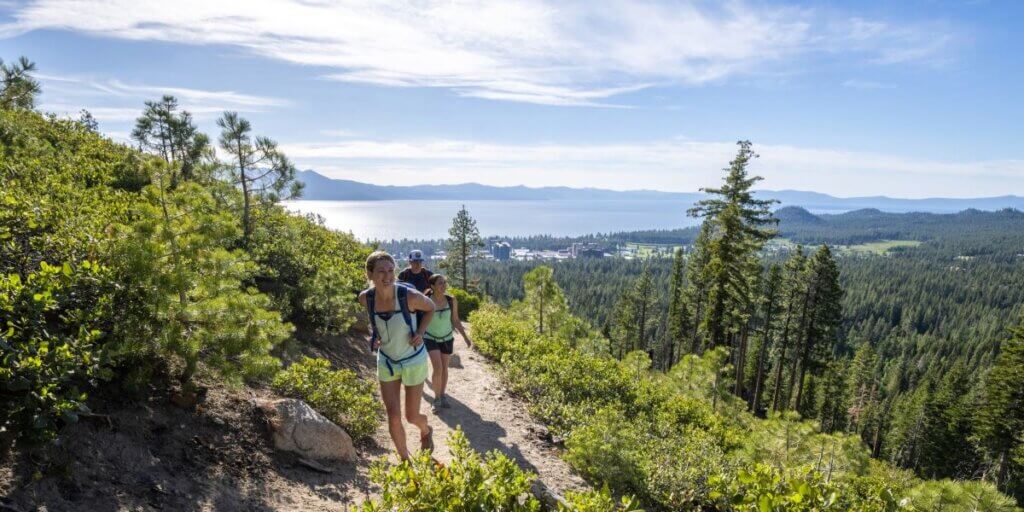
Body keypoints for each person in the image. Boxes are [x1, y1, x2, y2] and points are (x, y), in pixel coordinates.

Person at [359, 251, 436, 460]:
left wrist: (420, 332)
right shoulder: (366, 298)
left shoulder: (408, 296)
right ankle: (405, 462)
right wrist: (374, 335)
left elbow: (431, 307)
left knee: (411, 416)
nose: (387, 276)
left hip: (413, 360)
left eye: (391, 270)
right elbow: (374, 322)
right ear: (370, 274)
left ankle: (426, 430)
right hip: (387, 361)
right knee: (393, 416)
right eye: (381, 272)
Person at [422, 274, 473, 413]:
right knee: (437, 368)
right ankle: (436, 399)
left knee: (445, 368)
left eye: (445, 282)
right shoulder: (426, 301)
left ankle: (442, 395)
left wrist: (466, 338)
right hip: (430, 338)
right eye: (440, 283)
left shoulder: (451, 300)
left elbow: (455, 320)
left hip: (447, 338)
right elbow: (419, 319)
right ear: (432, 286)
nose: (444, 285)